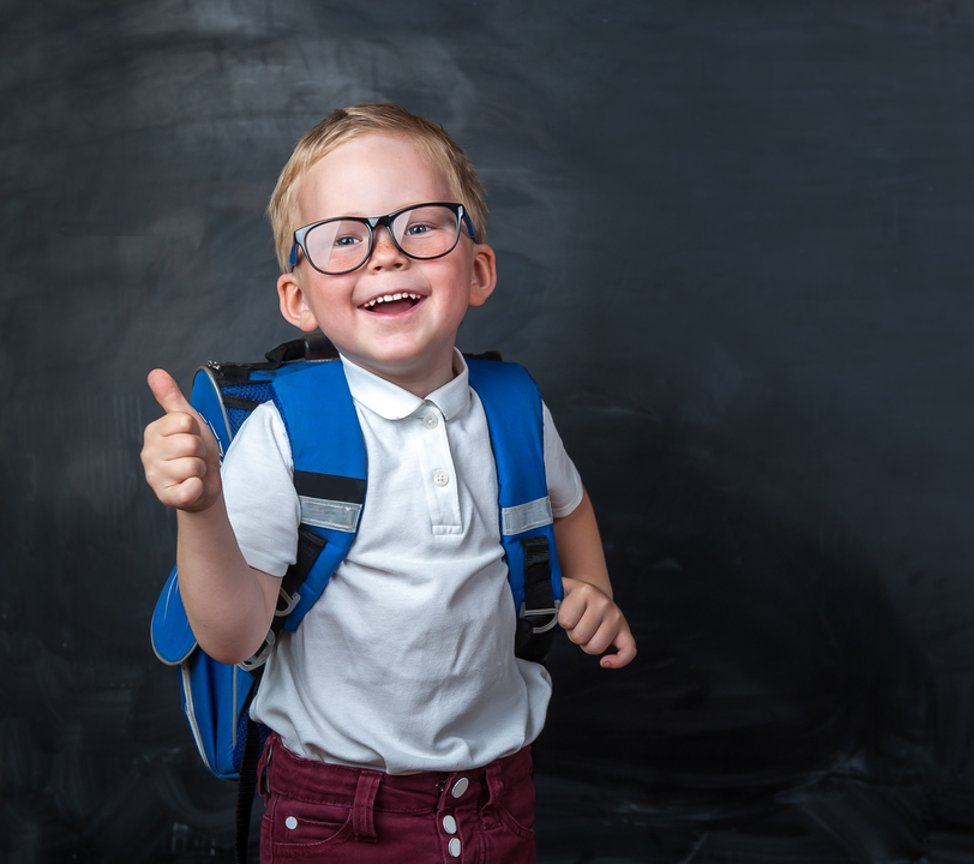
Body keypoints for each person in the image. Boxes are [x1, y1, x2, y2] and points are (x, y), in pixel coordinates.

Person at [140, 103, 636, 862]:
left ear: (477, 271)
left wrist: (593, 588)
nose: (385, 256)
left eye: (421, 225)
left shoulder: (516, 411)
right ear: (299, 298)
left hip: (498, 797)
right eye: (343, 238)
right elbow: (234, 635)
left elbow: (568, 505)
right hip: (337, 811)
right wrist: (202, 509)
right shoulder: (285, 435)